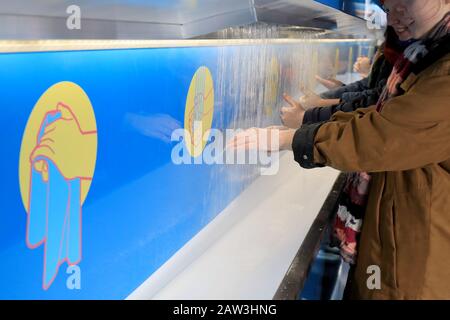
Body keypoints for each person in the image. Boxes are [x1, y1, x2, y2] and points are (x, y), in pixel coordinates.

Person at [231, 0, 450, 299]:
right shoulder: (423, 54)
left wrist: (293, 139)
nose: (394, 13)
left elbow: (382, 134)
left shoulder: (440, 67)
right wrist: (308, 125)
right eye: (388, 3)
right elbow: (378, 114)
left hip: (415, 258)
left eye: (406, 1)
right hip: (400, 238)